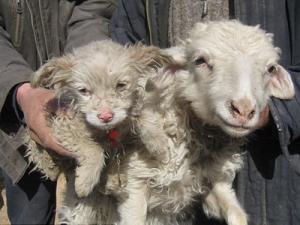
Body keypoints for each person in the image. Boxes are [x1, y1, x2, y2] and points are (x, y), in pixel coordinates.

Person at [109, 0, 300, 225]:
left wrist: (275, 110)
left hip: (265, 182)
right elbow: (126, 58)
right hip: (163, 167)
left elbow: (287, 92)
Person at [0, 1, 117, 224]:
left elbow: (94, 8)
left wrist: (83, 71)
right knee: (29, 214)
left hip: (86, 104)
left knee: (94, 208)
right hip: (13, 111)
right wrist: (22, 92)